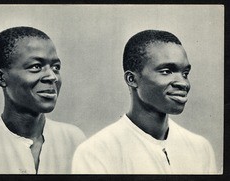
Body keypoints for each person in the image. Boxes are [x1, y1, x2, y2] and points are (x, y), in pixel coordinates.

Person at [72, 30, 217, 174]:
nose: (183, 83)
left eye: (185, 74)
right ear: (132, 79)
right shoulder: (96, 153)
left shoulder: (201, 148)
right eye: (166, 71)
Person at [0, 26, 86, 174]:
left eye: (55, 67)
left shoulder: (73, 139)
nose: (52, 76)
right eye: (36, 66)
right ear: (0, 78)